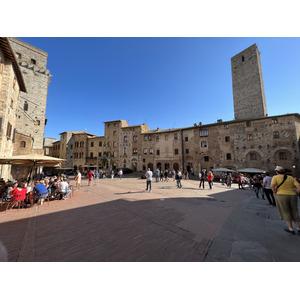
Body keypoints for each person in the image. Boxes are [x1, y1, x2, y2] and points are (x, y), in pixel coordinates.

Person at [271, 166, 300, 235]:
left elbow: (272, 186)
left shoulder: (275, 177)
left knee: (286, 211)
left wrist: (275, 192)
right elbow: (298, 186)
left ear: (277, 172)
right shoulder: (290, 177)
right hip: (292, 195)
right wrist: (296, 193)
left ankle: (291, 229)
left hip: (281, 195)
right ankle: (298, 228)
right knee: (294, 211)